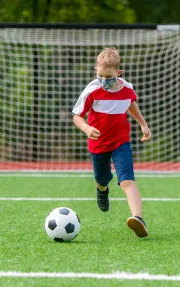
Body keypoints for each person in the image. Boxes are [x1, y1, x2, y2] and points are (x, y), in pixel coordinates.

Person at [72, 48, 151, 238]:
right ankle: (102, 190)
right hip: (98, 144)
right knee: (101, 179)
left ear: (118, 73)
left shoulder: (127, 89)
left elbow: (130, 104)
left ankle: (138, 218)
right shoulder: (92, 90)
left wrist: (143, 124)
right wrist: (87, 129)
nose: (104, 80)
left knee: (127, 181)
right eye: (100, 75)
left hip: (120, 142)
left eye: (108, 77)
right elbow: (77, 117)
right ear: (96, 70)